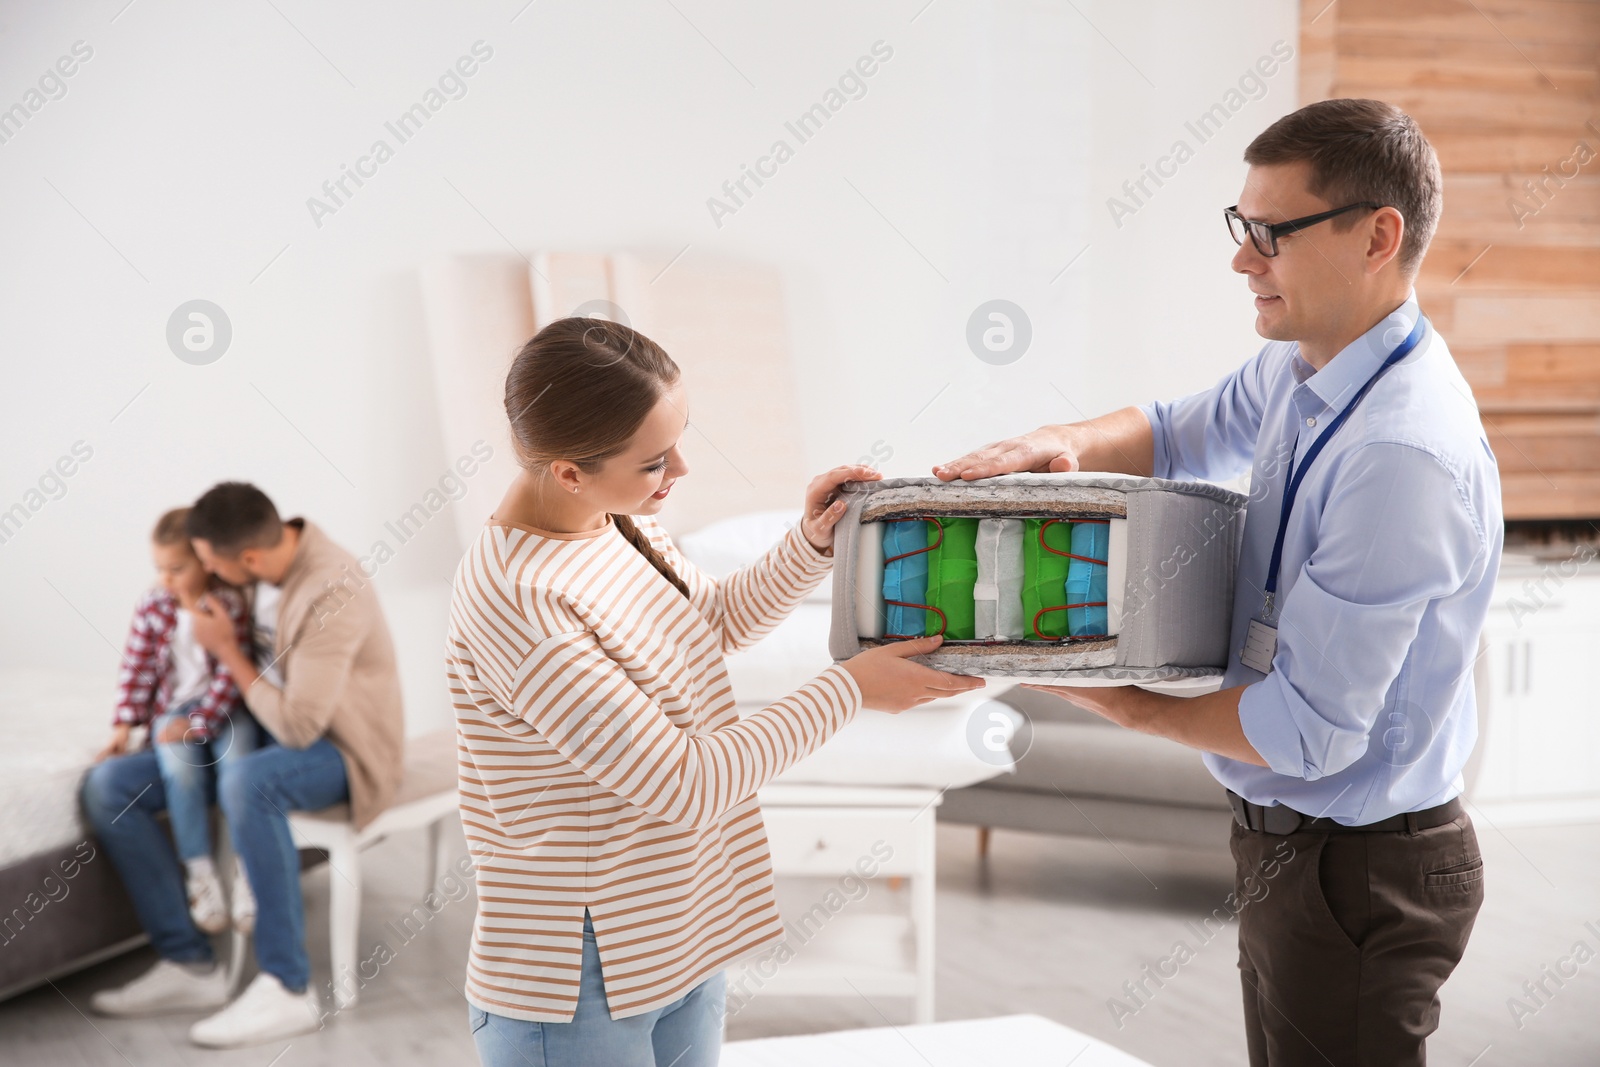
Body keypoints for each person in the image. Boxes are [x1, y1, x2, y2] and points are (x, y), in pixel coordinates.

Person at [935, 98, 1499, 1066]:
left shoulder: (1399, 452)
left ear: (1377, 235)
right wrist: (1056, 444)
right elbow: (1178, 426)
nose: (1243, 259)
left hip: (1360, 864)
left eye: (1270, 233)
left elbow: (1309, 731)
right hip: (1295, 847)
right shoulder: (1305, 368)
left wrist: (1125, 701)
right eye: (1242, 229)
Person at [446, 317, 981, 1067]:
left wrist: (812, 543)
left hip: (680, 928)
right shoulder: (521, 600)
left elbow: (711, 622)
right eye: (655, 460)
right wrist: (851, 690)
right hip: (579, 974)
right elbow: (684, 781)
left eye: (679, 438)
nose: (682, 470)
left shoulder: (615, 521)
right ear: (569, 470)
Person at [84, 483, 406, 1049]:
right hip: (245, 730)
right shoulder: (252, 570)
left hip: (343, 748)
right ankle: (190, 963)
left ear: (247, 560)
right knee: (110, 787)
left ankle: (287, 987)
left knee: (248, 781)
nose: (202, 574)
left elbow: (299, 728)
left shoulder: (331, 590)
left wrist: (227, 651)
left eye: (207, 563)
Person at [94, 507, 259, 936]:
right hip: (175, 710)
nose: (166, 578)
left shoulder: (228, 605)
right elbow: (137, 666)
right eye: (159, 568)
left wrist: (201, 724)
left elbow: (230, 672)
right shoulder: (154, 605)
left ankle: (248, 872)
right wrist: (124, 726)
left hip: (226, 707)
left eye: (177, 568)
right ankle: (200, 874)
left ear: (205, 561)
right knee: (179, 770)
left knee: (239, 768)